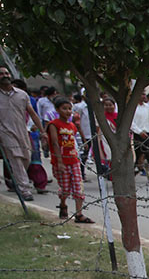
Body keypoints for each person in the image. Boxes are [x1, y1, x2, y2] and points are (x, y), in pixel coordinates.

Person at [0, 66, 44, 201]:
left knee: (26, 158)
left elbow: (32, 113)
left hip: (23, 132)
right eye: (1, 74)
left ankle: (16, 178)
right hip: (5, 132)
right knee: (16, 158)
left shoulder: (21, 94)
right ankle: (25, 190)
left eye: (6, 73)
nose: (5, 75)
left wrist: (43, 131)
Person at [46, 97, 93, 223]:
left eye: (69, 109)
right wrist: (59, 161)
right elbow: (55, 143)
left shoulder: (72, 125)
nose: (67, 111)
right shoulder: (53, 125)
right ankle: (63, 204)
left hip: (74, 159)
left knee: (78, 187)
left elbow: (75, 140)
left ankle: (79, 213)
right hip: (61, 161)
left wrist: (82, 147)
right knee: (65, 188)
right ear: (57, 110)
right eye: (64, 109)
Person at [71, 93, 92, 180]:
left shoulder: (93, 107)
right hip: (83, 133)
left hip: (90, 133)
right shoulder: (79, 107)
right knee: (82, 153)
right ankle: (80, 173)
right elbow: (75, 120)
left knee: (86, 154)